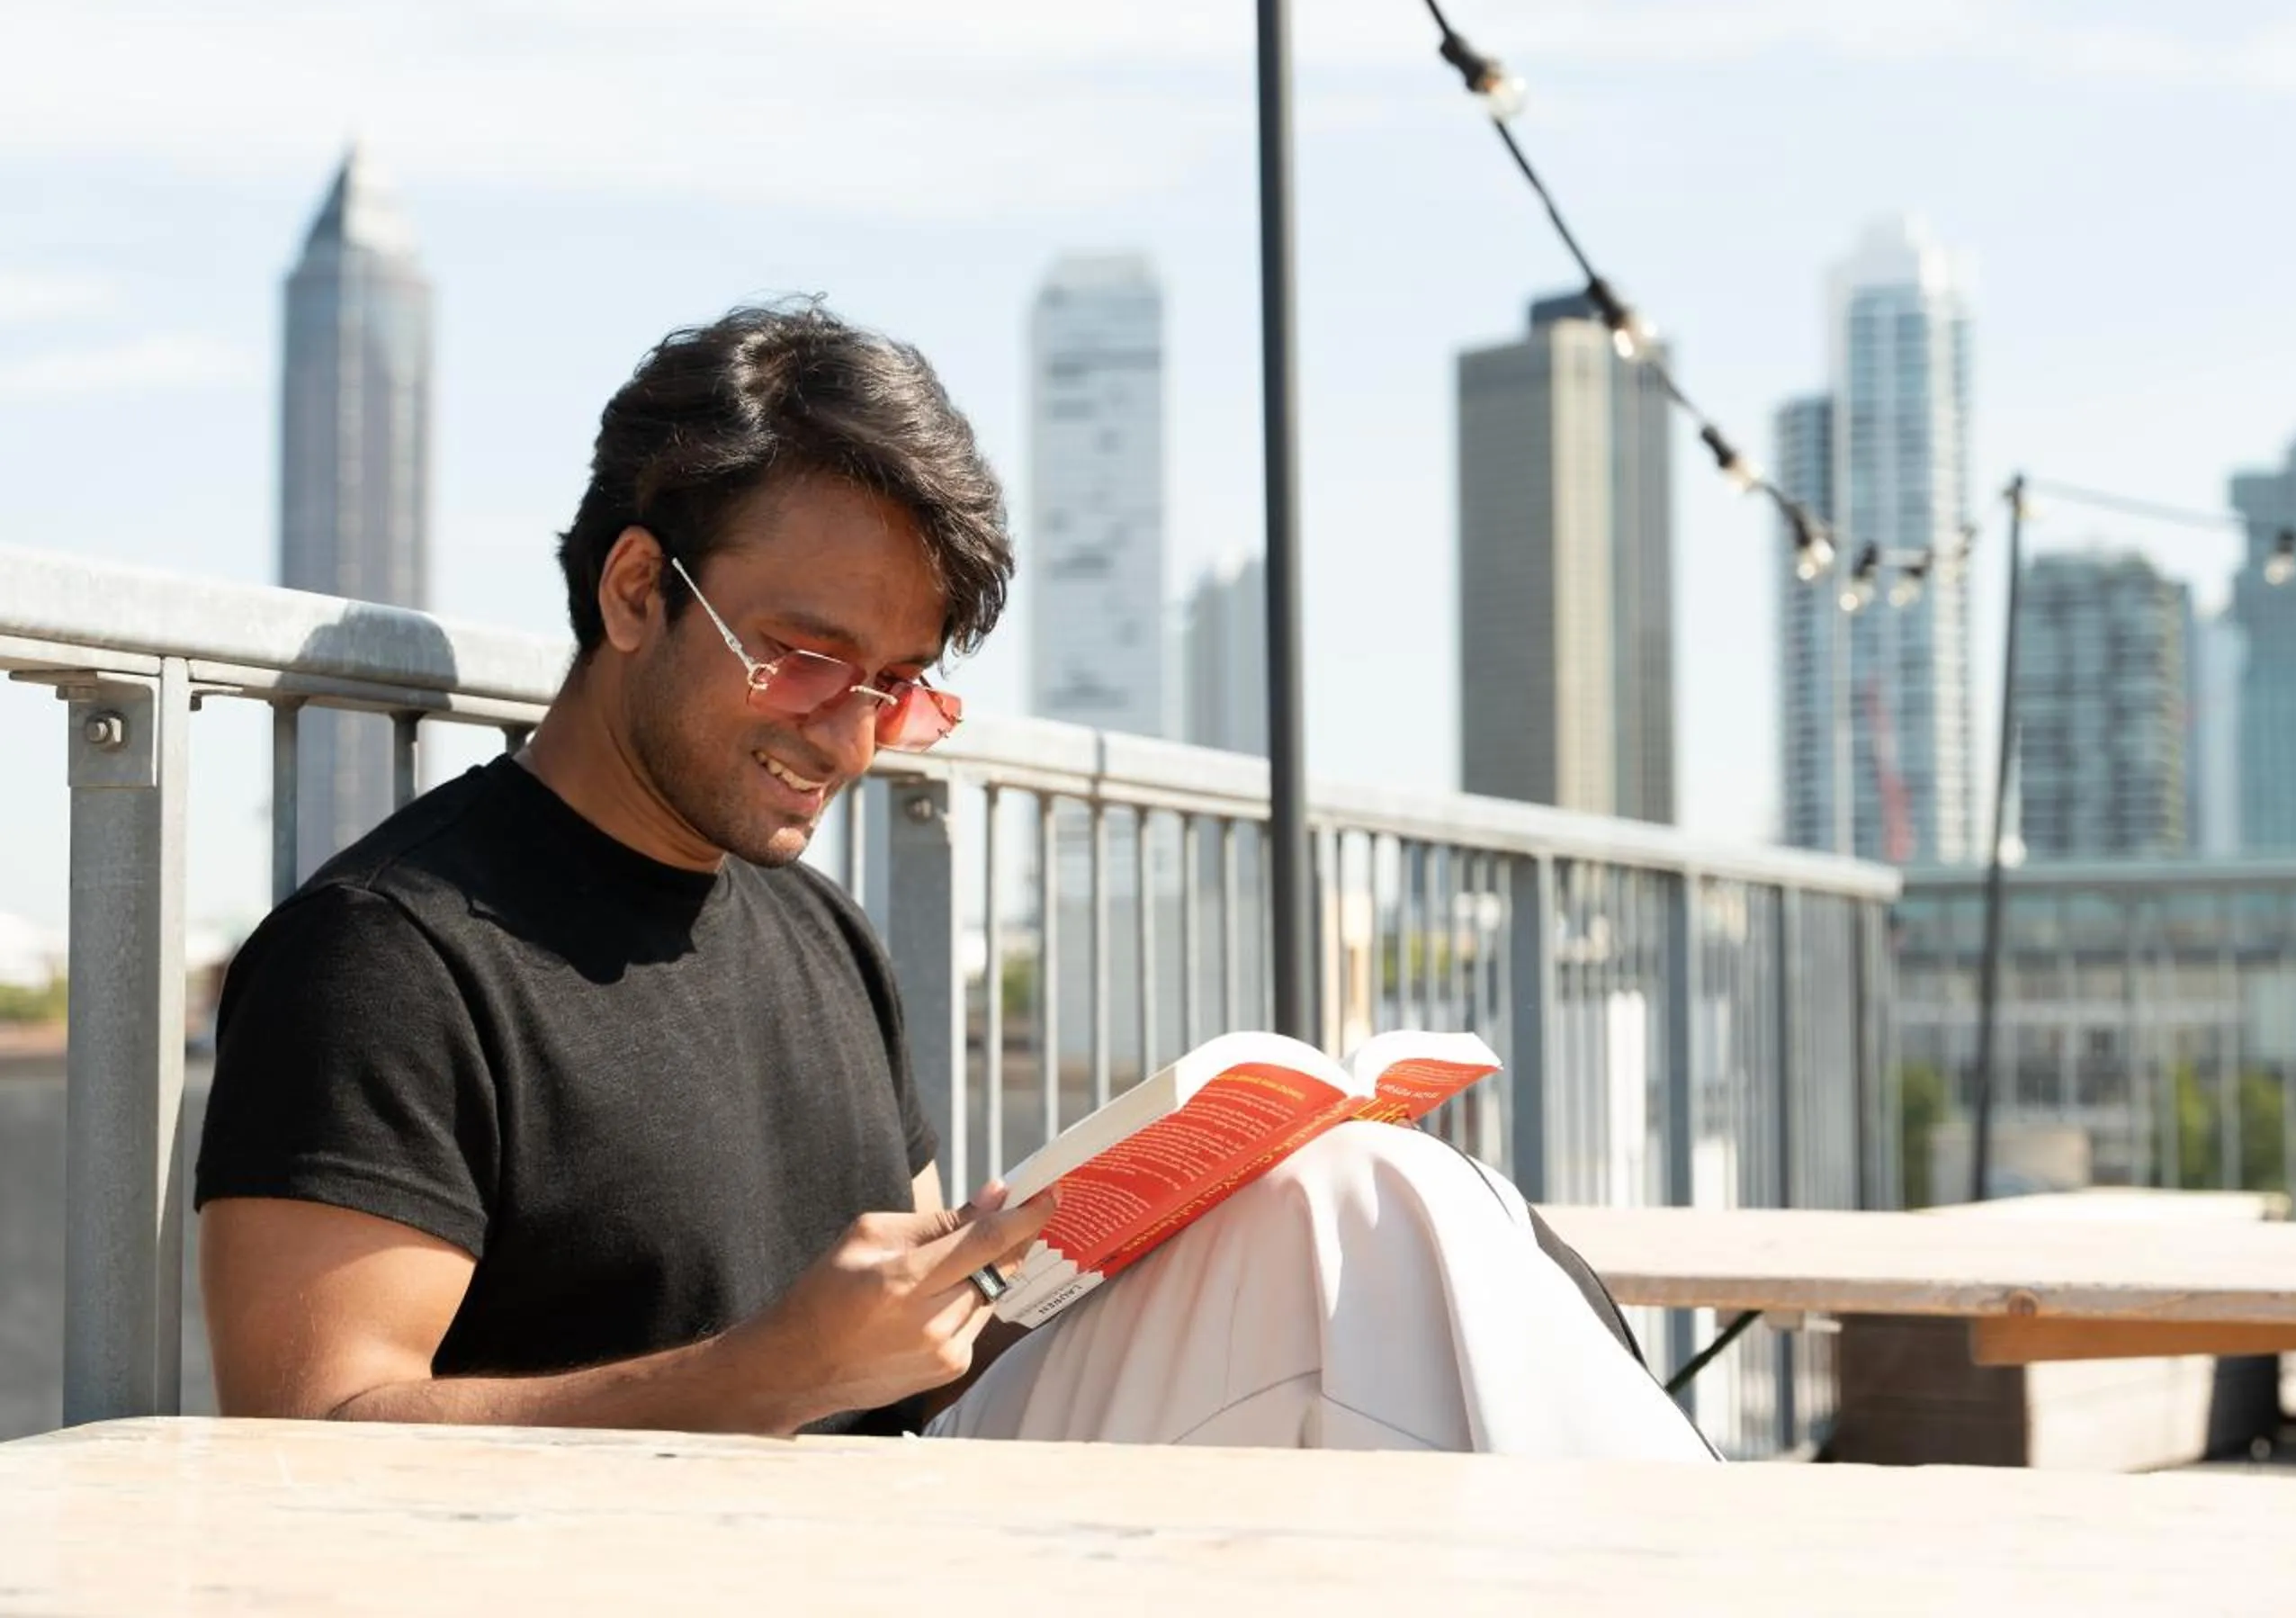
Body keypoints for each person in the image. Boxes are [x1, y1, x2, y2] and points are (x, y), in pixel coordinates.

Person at [196, 301, 1710, 1457]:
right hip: (649, 1569)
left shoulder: (817, 931)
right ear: (640, 589)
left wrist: (1111, 1239)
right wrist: (761, 1378)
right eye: (805, 659)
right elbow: (308, 1441)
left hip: (902, 1522)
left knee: (1356, 1194)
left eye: (898, 686)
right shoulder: (388, 958)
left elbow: (916, 1366)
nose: (849, 735)